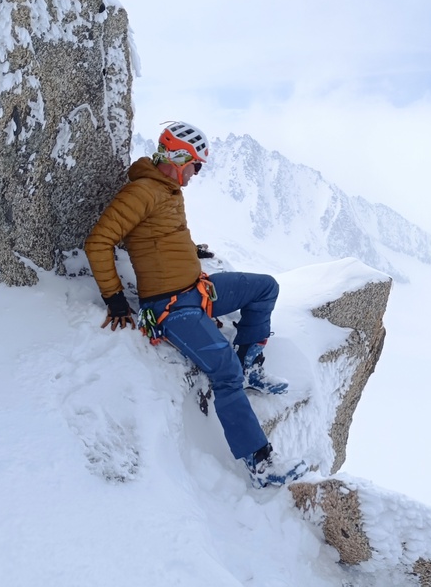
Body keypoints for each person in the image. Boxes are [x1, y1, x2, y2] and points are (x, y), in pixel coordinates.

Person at [84, 121, 307, 488]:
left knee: (265, 288)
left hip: (197, 290)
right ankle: (261, 463)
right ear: (177, 158)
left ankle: (250, 363)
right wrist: (115, 300)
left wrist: (190, 252)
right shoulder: (141, 192)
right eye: (196, 166)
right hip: (172, 309)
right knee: (224, 372)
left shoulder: (168, 190)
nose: (197, 174)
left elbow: (160, 236)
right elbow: (98, 242)